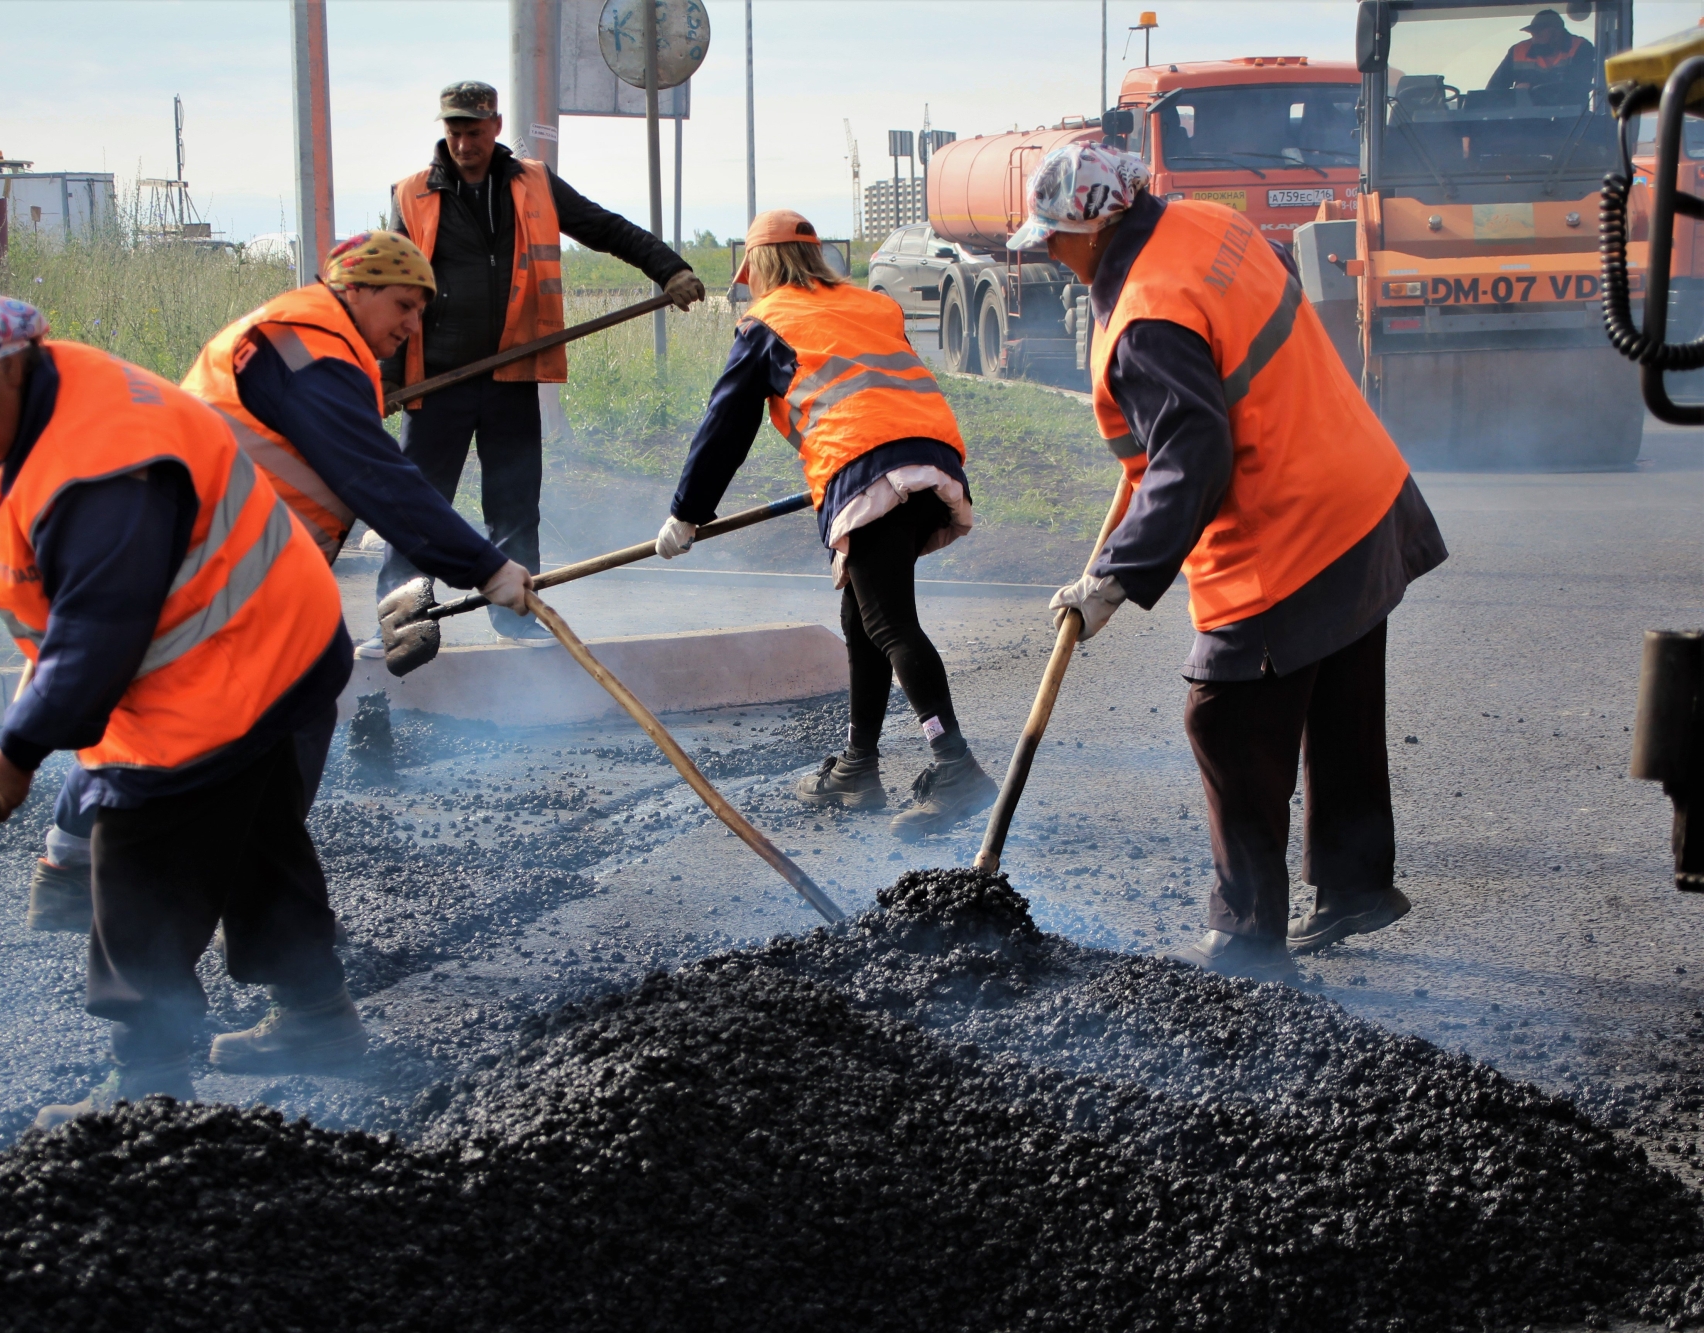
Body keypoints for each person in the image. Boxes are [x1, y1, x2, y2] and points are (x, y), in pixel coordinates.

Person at [0, 291, 533, 1125]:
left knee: (142, 878)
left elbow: (99, 635)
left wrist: (20, 748)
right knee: (258, 841)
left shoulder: (106, 462)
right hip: (266, 648)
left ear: (9, 365)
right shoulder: (36, 408)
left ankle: (146, 1086)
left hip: (219, 672)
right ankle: (318, 1020)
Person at [22, 231, 531, 934]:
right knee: (281, 714)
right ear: (354, 287)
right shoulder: (306, 352)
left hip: (215, 563)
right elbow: (375, 476)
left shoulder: (308, 347)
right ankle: (260, 923)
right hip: (217, 570)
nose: (413, 325)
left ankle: (84, 873)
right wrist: (486, 566)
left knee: (180, 712)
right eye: (404, 304)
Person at [1024, 143, 1447, 982]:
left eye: (1053, 236)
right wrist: (1127, 517)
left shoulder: (1144, 312)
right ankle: (1355, 883)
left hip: (1283, 527)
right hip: (1359, 489)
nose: (1047, 251)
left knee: (1222, 717)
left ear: (1096, 226)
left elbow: (1196, 452)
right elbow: (1211, 391)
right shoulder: (1208, 225)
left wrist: (1115, 579)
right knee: (1338, 683)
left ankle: (1248, 933)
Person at [657, 209, 997, 842]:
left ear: (758, 265)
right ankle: (857, 768)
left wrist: (686, 514)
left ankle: (957, 767)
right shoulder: (871, 303)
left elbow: (725, 426)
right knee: (863, 614)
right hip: (934, 457)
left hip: (865, 466)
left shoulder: (766, 323)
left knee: (890, 624)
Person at [381, 80, 707, 642]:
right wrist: (386, 381)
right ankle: (400, 622)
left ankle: (515, 622)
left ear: (496, 127)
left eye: (474, 132)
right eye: (454, 132)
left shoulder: (533, 183)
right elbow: (390, 289)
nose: (463, 144)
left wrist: (668, 268)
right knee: (418, 504)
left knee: (513, 506)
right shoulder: (412, 194)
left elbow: (603, 227)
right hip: (436, 381)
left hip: (512, 371)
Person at [1487, 9, 1599, 96]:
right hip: (1525, 120)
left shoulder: (1581, 48)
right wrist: (1515, 94)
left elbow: (1578, 87)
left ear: (1557, 33)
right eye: (1533, 33)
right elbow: (1494, 90)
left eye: (1539, 33)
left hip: (1573, 121)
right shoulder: (1518, 51)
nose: (1534, 38)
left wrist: (1530, 89)